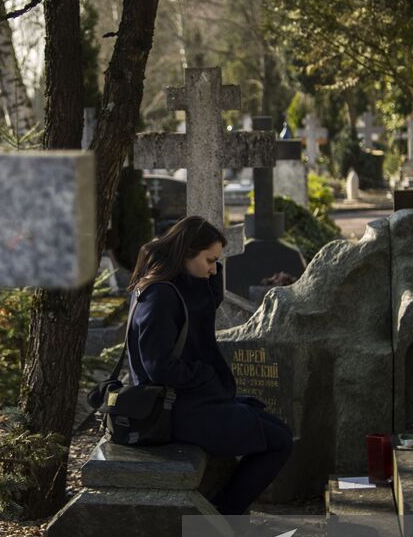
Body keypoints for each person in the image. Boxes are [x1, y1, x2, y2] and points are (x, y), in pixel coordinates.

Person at [126, 215, 294, 515]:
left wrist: (210, 272)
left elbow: (205, 305)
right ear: (186, 252)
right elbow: (158, 367)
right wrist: (204, 375)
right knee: (278, 441)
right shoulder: (159, 296)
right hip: (173, 411)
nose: (214, 268)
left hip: (191, 401)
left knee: (276, 428)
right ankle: (224, 514)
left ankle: (224, 510)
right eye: (209, 260)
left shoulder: (175, 286)